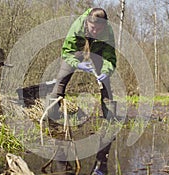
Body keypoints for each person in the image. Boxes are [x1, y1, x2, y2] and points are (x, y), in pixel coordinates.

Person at [48, 7, 117, 175]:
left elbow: (110, 57)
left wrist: (106, 71)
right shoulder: (78, 26)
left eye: (98, 29)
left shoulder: (107, 32)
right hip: (76, 51)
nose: (95, 31)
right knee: (59, 84)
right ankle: (53, 122)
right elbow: (66, 52)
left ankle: (109, 120)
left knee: (106, 88)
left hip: (98, 52)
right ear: (87, 22)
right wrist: (77, 63)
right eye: (92, 28)